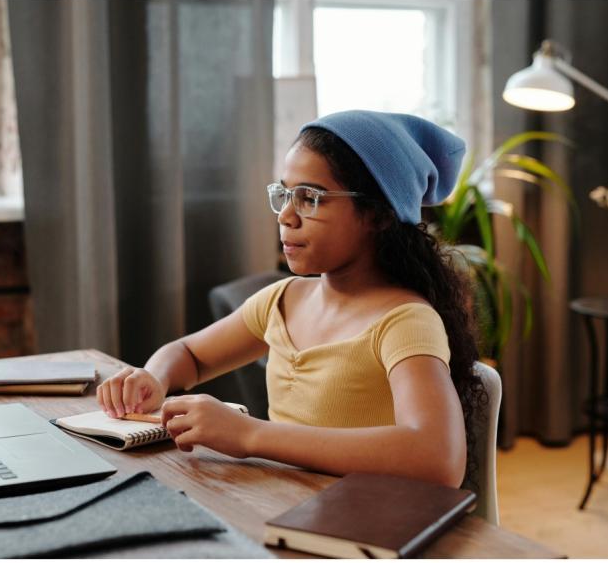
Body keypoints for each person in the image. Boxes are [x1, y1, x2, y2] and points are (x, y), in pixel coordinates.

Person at [97, 110, 485, 489]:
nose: (286, 215)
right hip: (279, 504)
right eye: (284, 194)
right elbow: (191, 355)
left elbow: (438, 458)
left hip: (355, 527)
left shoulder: (404, 322)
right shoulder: (283, 301)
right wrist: (155, 376)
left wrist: (250, 435)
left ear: (379, 215)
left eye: (311, 198)